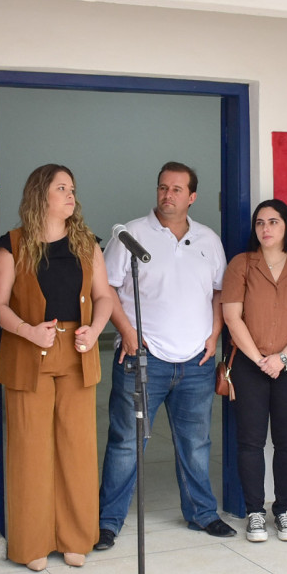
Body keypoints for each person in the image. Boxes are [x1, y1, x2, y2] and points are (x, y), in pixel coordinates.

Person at [95, 161, 234, 551]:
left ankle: (202, 513)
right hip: (144, 357)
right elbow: (106, 289)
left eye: (176, 189)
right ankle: (108, 522)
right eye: (162, 188)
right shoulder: (130, 235)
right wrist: (127, 332)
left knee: (195, 442)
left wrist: (215, 333)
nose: (167, 195)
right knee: (126, 442)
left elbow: (220, 291)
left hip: (196, 362)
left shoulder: (208, 239)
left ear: (192, 197)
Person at [0, 164, 113, 570]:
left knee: (77, 449)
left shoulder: (88, 244)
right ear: (40, 194)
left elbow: (105, 296)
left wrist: (95, 330)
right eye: (61, 187)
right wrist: (29, 331)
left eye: (72, 188)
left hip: (78, 353)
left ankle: (76, 537)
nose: (70, 195)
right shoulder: (11, 245)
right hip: (29, 354)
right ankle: (33, 544)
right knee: (30, 449)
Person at [221, 199, 287, 542]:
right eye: (260, 223)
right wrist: (259, 358)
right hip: (249, 366)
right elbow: (231, 316)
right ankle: (255, 513)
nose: (266, 228)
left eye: (273, 222)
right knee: (249, 441)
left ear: (286, 226)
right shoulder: (241, 265)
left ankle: (284, 510)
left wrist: (281, 358)